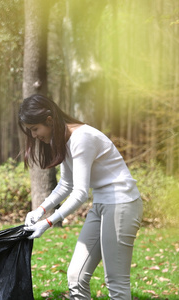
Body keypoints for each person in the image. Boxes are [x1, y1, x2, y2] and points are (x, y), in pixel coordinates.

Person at [18, 94, 143, 300]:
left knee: (116, 284)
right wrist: (40, 209)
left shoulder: (82, 138)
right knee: (75, 277)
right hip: (102, 204)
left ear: (49, 120)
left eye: (35, 129)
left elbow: (80, 192)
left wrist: (48, 222)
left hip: (122, 204)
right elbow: (66, 184)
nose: (34, 136)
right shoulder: (63, 139)